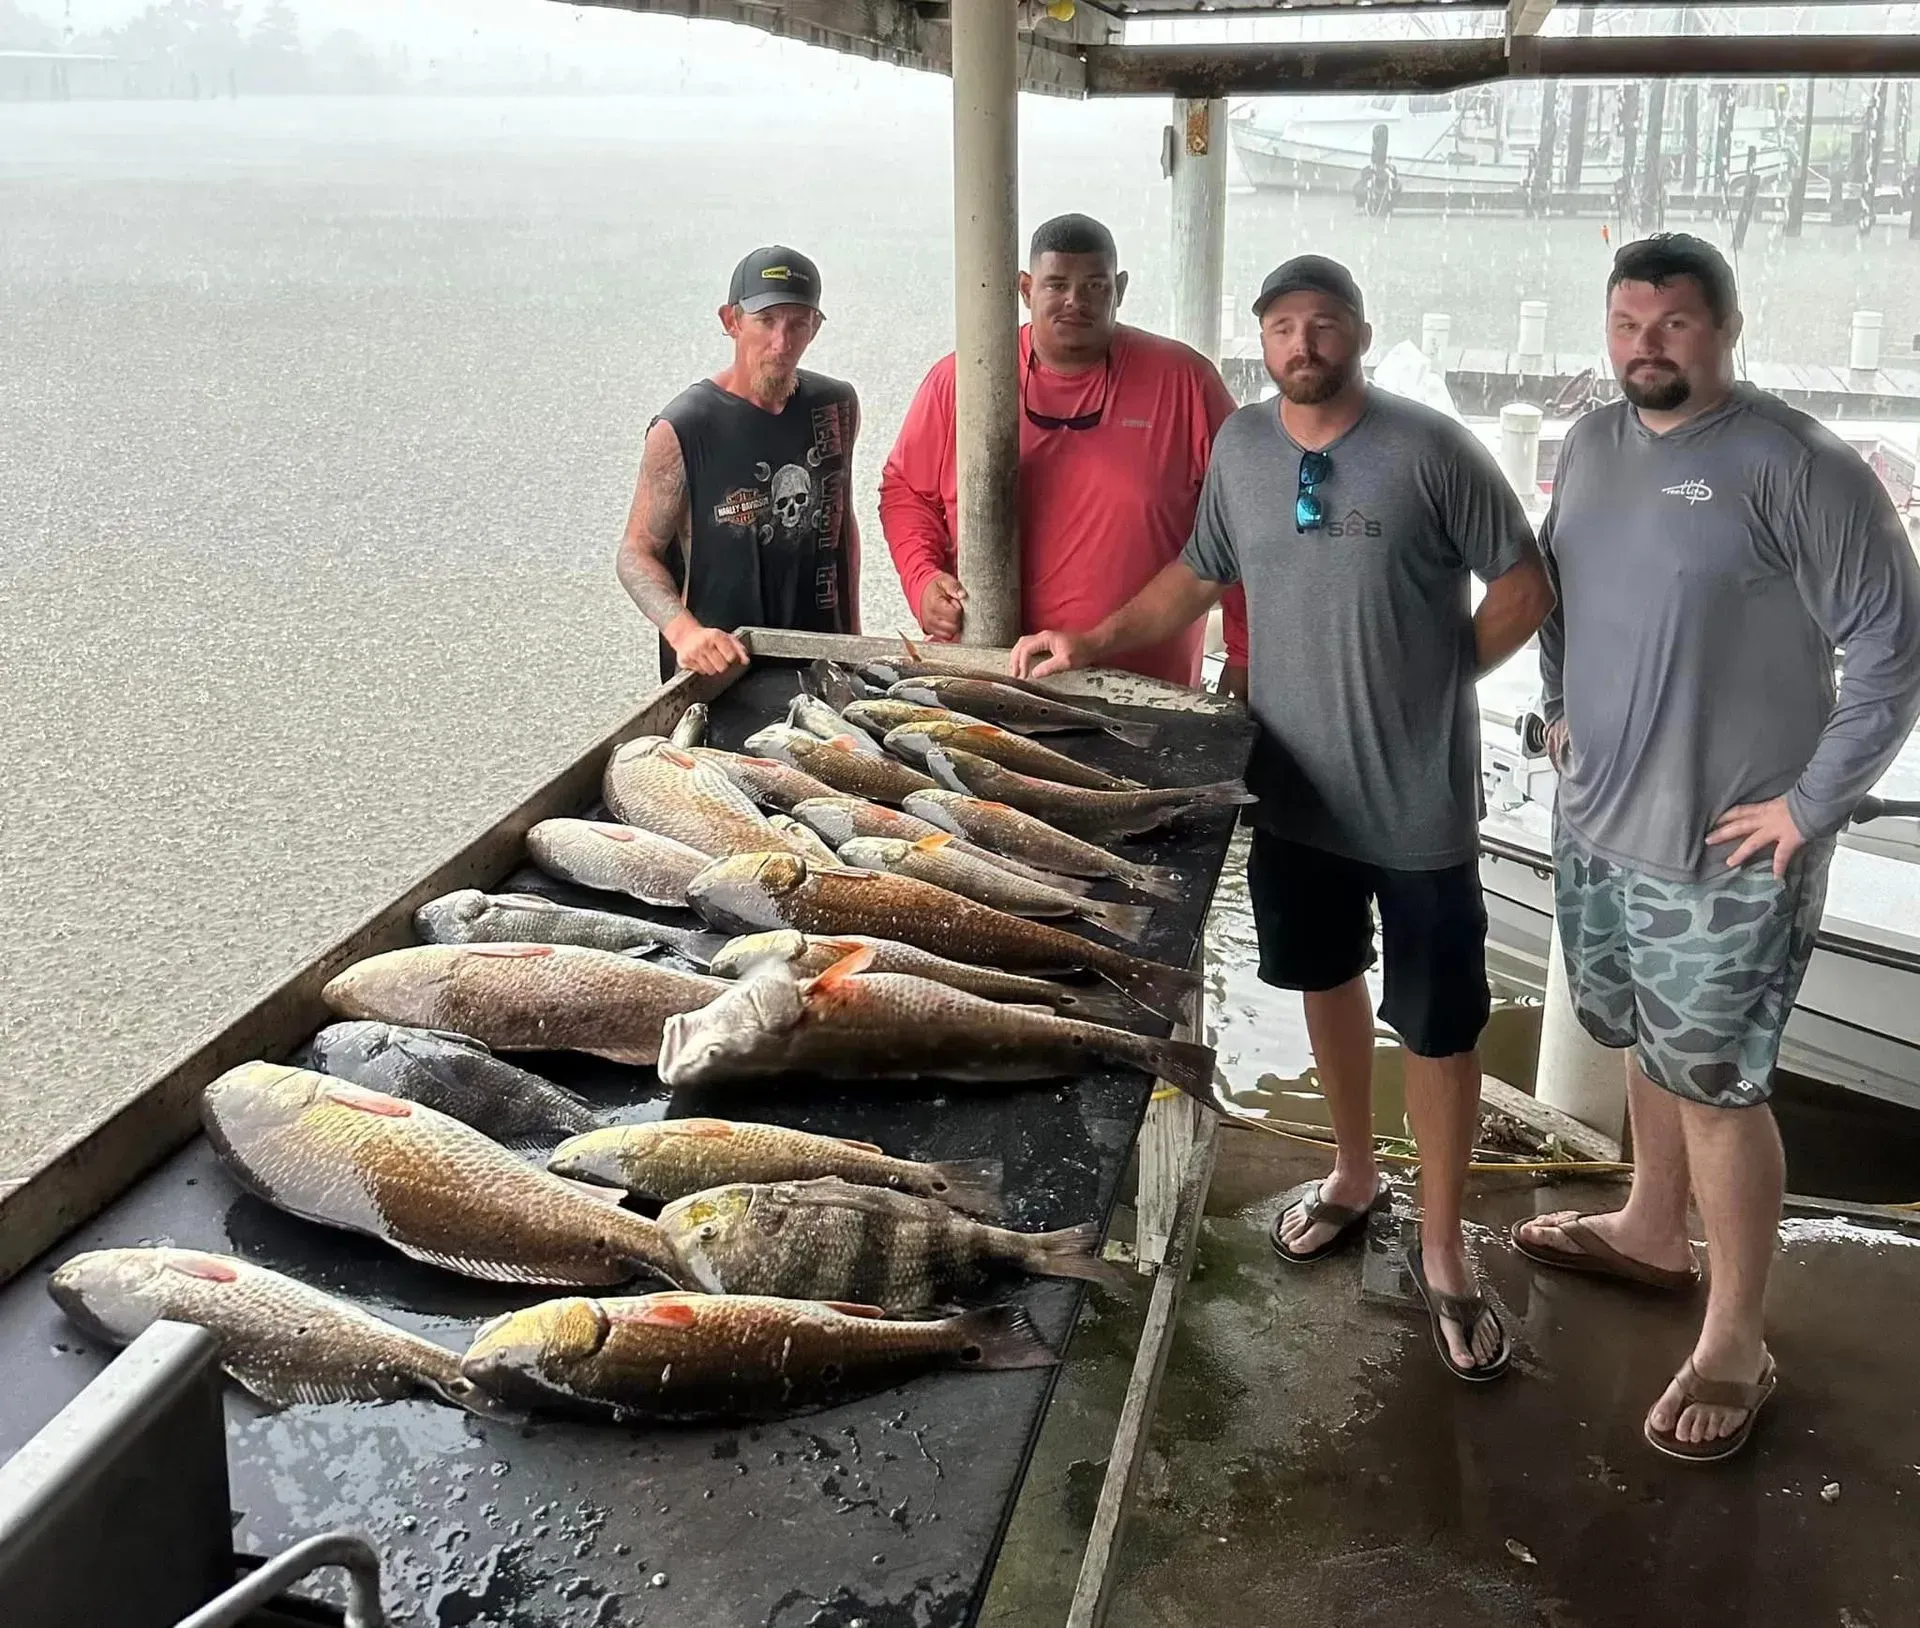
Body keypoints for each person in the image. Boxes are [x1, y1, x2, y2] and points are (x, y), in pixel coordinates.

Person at [1012, 255, 1555, 1380]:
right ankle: (1357, 1172)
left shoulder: (1432, 449)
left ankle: (1447, 1249)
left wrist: (1447, 675)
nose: (1301, 343)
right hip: (1298, 793)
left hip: (1420, 806)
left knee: (1444, 1025)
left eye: (1321, 323)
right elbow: (1196, 580)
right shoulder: (1243, 449)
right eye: (1279, 327)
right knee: (1322, 977)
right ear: (1260, 343)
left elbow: (1525, 581)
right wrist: (1092, 638)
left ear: (1359, 330)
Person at [1512, 233, 1920, 1461]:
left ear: (1726, 328)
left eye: (1674, 322)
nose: (1646, 344)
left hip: (1727, 856)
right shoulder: (1588, 444)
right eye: (1627, 321)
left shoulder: (1797, 465)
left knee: (1719, 1090)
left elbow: (1894, 653)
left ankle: (1738, 1333)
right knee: (1636, 1040)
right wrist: (1557, 708)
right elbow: (1560, 596)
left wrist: (1809, 809)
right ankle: (1648, 1225)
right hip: (1599, 824)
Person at [880, 213, 1244, 687]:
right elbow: (906, 489)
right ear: (1026, 289)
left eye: (1095, 286)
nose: (1075, 301)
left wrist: (1243, 653)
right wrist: (922, 578)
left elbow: (1241, 523)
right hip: (986, 674)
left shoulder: (1185, 382)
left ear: (1121, 287)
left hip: (1142, 687)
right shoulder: (963, 379)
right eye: (1057, 285)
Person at [616, 246, 860, 677]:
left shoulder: (835, 406)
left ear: (815, 329)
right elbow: (636, 553)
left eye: (798, 324)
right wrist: (684, 633)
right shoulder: (683, 429)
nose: (782, 343)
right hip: (721, 671)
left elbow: (841, 524)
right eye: (766, 322)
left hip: (822, 660)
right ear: (731, 321)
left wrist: (853, 637)